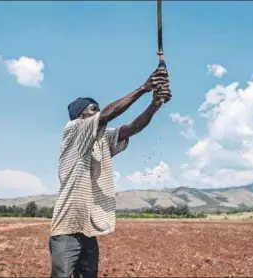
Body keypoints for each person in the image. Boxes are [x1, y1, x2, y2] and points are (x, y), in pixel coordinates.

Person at [49, 67, 172, 278]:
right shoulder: (74, 130)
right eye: (93, 109)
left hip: (88, 231)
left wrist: (154, 104)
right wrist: (143, 88)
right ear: (80, 116)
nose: (98, 112)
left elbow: (131, 128)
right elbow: (106, 115)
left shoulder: (102, 138)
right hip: (66, 231)